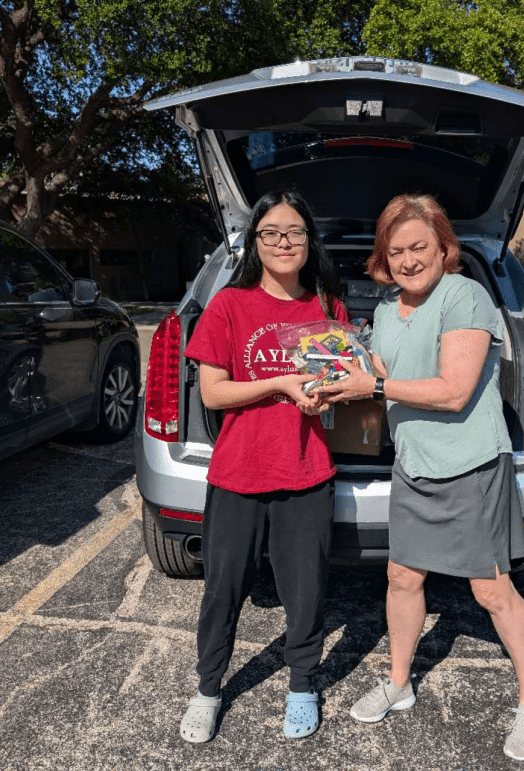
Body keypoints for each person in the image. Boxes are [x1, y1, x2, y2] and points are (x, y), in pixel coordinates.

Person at [318, 194, 524, 762]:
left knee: (491, 589)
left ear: (443, 246)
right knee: (402, 577)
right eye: (395, 251)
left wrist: (375, 386)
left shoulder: (465, 296)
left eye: (418, 247)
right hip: (415, 465)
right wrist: (342, 368)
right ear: (383, 258)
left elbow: (453, 391)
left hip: (469, 465)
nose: (408, 260)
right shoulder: (386, 309)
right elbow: (383, 367)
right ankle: (399, 683)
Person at [179, 188, 348, 743]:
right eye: (271, 232)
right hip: (238, 472)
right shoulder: (229, 305)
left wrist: (326, 396)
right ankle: (208, 689)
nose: (283, 242)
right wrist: (279, 383)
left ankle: (302, 685)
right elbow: (213, 393)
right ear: (255, 241)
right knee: (222, 590)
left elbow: (336, 384)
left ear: (309, 241)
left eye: (294, 232)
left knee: (306, 590)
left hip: (306, 471)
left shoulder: (327, 306)